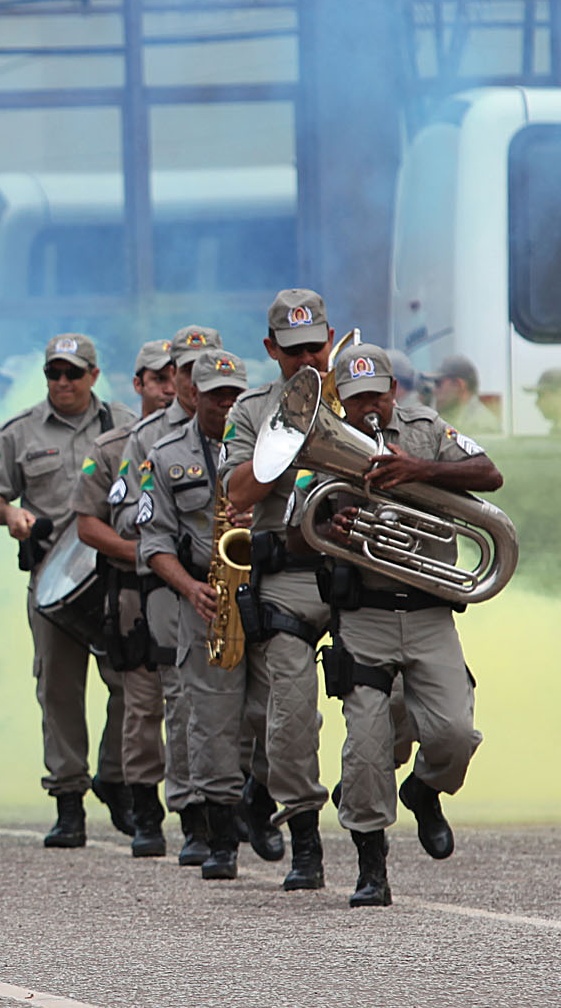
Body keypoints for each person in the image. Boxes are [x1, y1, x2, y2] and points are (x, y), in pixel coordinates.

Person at [307, 344, 500, 907]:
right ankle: (372, 867)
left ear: (395, 390)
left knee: (454, 737)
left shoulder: (425, 427)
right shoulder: (321, 440)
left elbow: (489, 473)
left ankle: (423, 790)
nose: (370, 406)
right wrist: (332, 521)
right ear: (340, 397)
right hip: (362, 613)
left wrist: (423, 470)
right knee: (366, 747)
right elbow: (301, 525)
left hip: (427, 609)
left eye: (378, 393)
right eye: (357, 396)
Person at [0, 333, 136, 848]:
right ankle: (69, 801)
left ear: (93, 375)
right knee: (59, 692)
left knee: (132, 684)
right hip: (52, 582)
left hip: (117, 574)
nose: (62, 383)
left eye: (72, 373)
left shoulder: (127, 426)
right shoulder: (20, 431)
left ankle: (118, 778)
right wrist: (10, 513)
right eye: (53, 374)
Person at [220, 290, 342, 890]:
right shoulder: (249, 410)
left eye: (315, 347)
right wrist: (288, 436)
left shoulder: (364, 390)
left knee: (402, 703)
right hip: (288, 580)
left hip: (362, 575)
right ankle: (306, 839)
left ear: (330, 337)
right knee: (292, 716)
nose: (307, 360)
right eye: (292, 352)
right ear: (271, 350)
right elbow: (238, 493)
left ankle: (378, 777)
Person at [136, 349, 255, 880]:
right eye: (216, 396)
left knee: (278, 711)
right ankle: (219, 834)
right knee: (206, 720)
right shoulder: (163, 455)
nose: (226, 405)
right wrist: (189, 589)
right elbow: (153, 538)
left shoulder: (271, 444)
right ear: (195, 396)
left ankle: (267, 807)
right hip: (204, 592)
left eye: (234, 395)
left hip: (266, 587)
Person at [68, 338, 175, 857]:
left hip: (200, 587)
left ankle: (219, 809)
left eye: (178, 375)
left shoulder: (221, 438)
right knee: (142, 703)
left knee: (214, 700)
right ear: (138, 385)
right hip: (136, 591)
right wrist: (147, 554)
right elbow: (88, 524)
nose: (170, 386)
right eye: (158, 378)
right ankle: (146, 809)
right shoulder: (113, 447)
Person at [115, 324, 219, 856]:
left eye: (207, 368)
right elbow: (123, 509)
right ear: (173, 374)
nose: (194, 380)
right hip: (169, 582)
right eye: (184, 370)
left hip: (236, 579)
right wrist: (172, 520)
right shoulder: (148, 437)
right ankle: (192, 811)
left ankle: (242, 802)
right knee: (180, 697)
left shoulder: (245, 424)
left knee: (243, 698)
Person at [430, 355, 501, 435]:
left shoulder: (483, 426)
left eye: (438, 383)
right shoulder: (452, 420)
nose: (434, 390)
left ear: (458, 385)